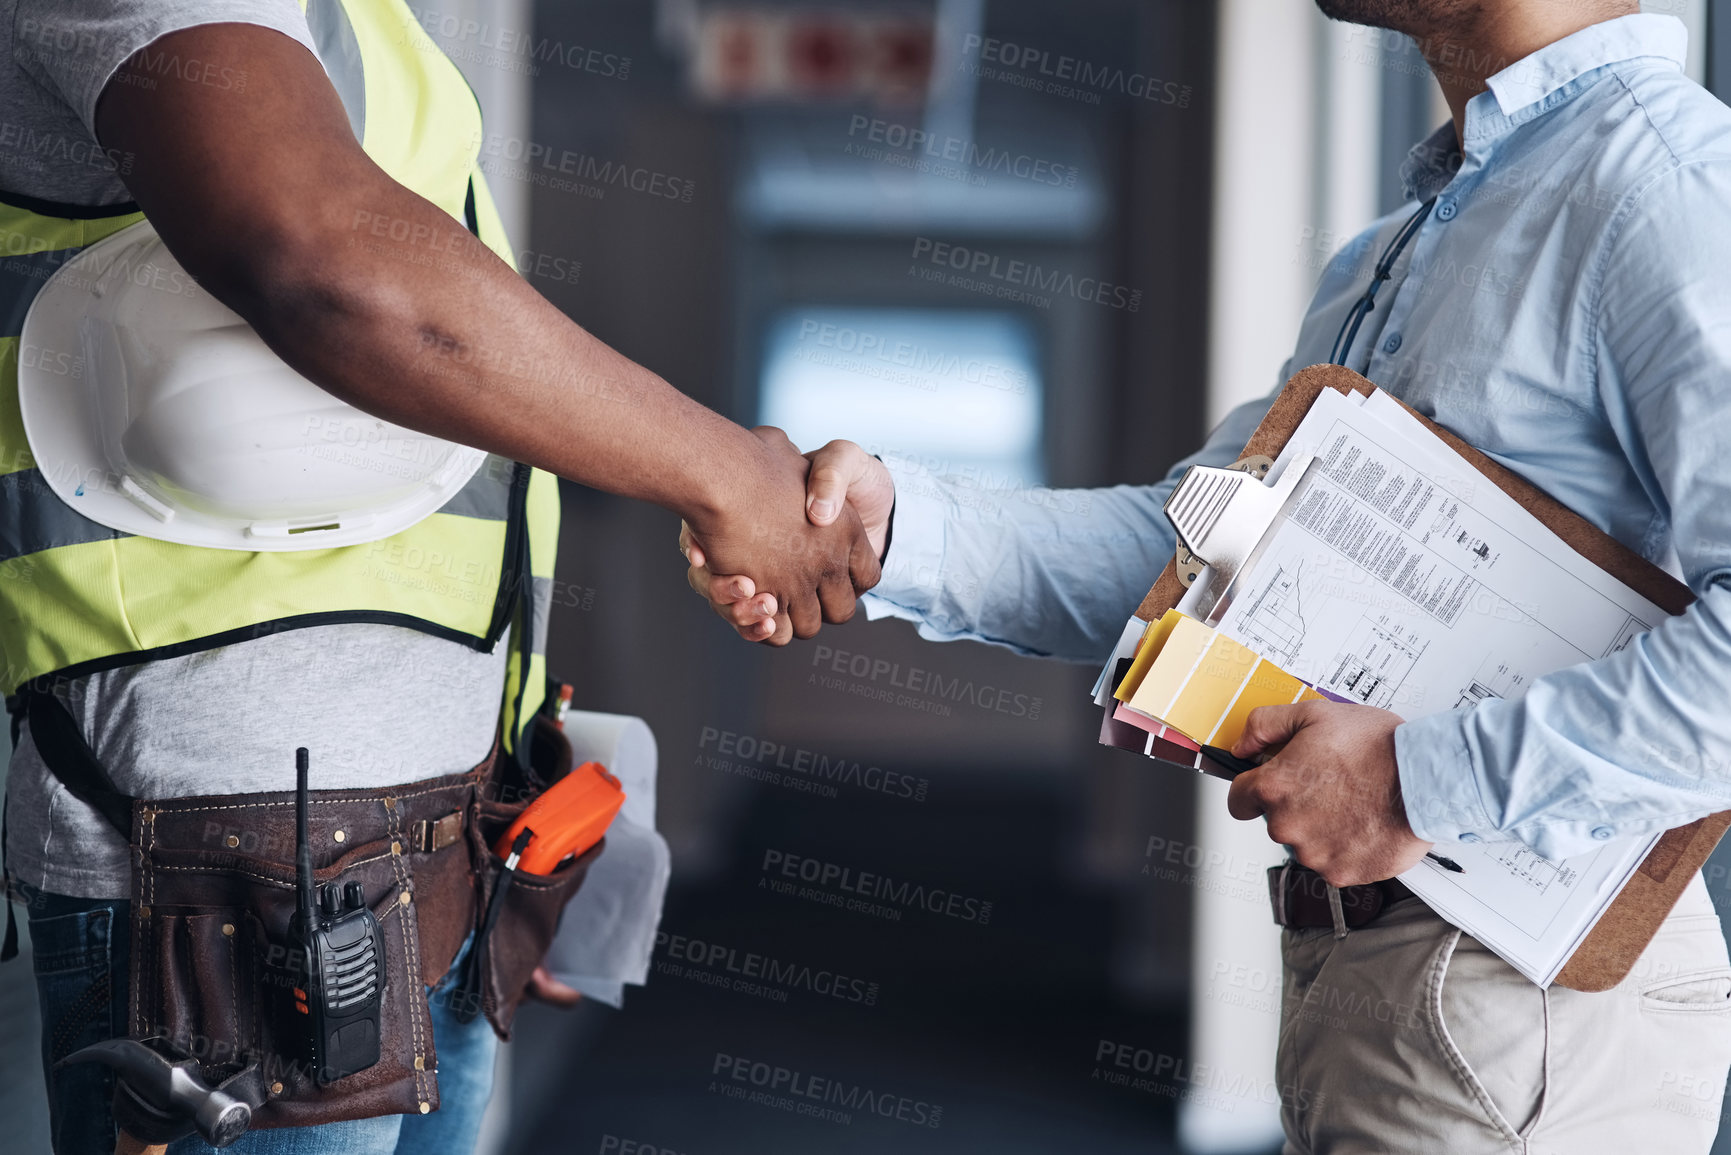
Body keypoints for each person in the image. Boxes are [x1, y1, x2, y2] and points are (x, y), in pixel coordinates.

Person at [687, 2, 1731, 1150]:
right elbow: (1198, 556)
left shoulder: (1668, 188)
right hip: (1394, 971)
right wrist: (891, 530)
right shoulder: (1412, 240)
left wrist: (1416, 783)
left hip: (1520, 993)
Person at [0, 2, 877, 1153]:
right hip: (227, 883)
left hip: (451, 849)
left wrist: (510, 815)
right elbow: (321, 256)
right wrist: (729, 478)